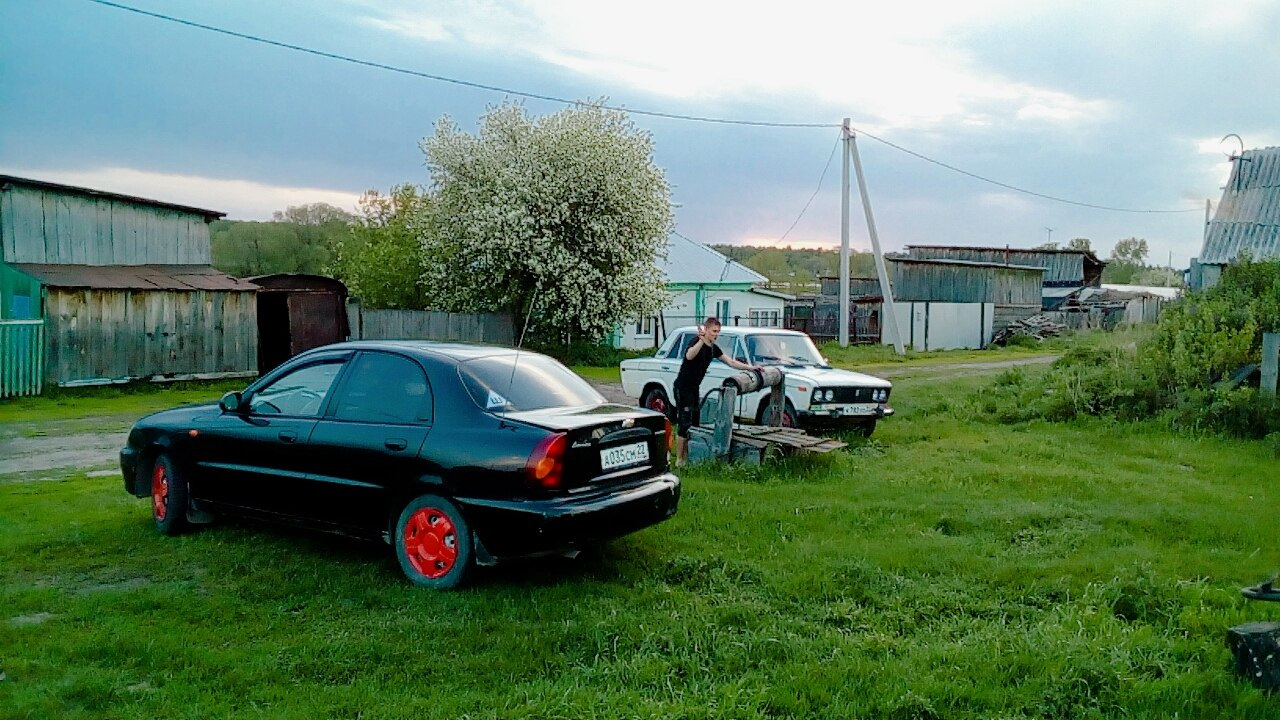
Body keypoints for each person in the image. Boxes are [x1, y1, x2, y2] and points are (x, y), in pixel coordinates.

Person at [673, 317, 756, 466]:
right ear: (706, 330)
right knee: (684, 424)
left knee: (694, 424)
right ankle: (680, 460)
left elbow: (731, 362)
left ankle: (690, 457)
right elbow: (689, 356)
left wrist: (751, 368)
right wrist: (701, 340)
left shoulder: (713, 348)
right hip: (683, 387)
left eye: (718, 332)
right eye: (713, 331)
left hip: (694, 388)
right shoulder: (695, 342)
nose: (716, 334)